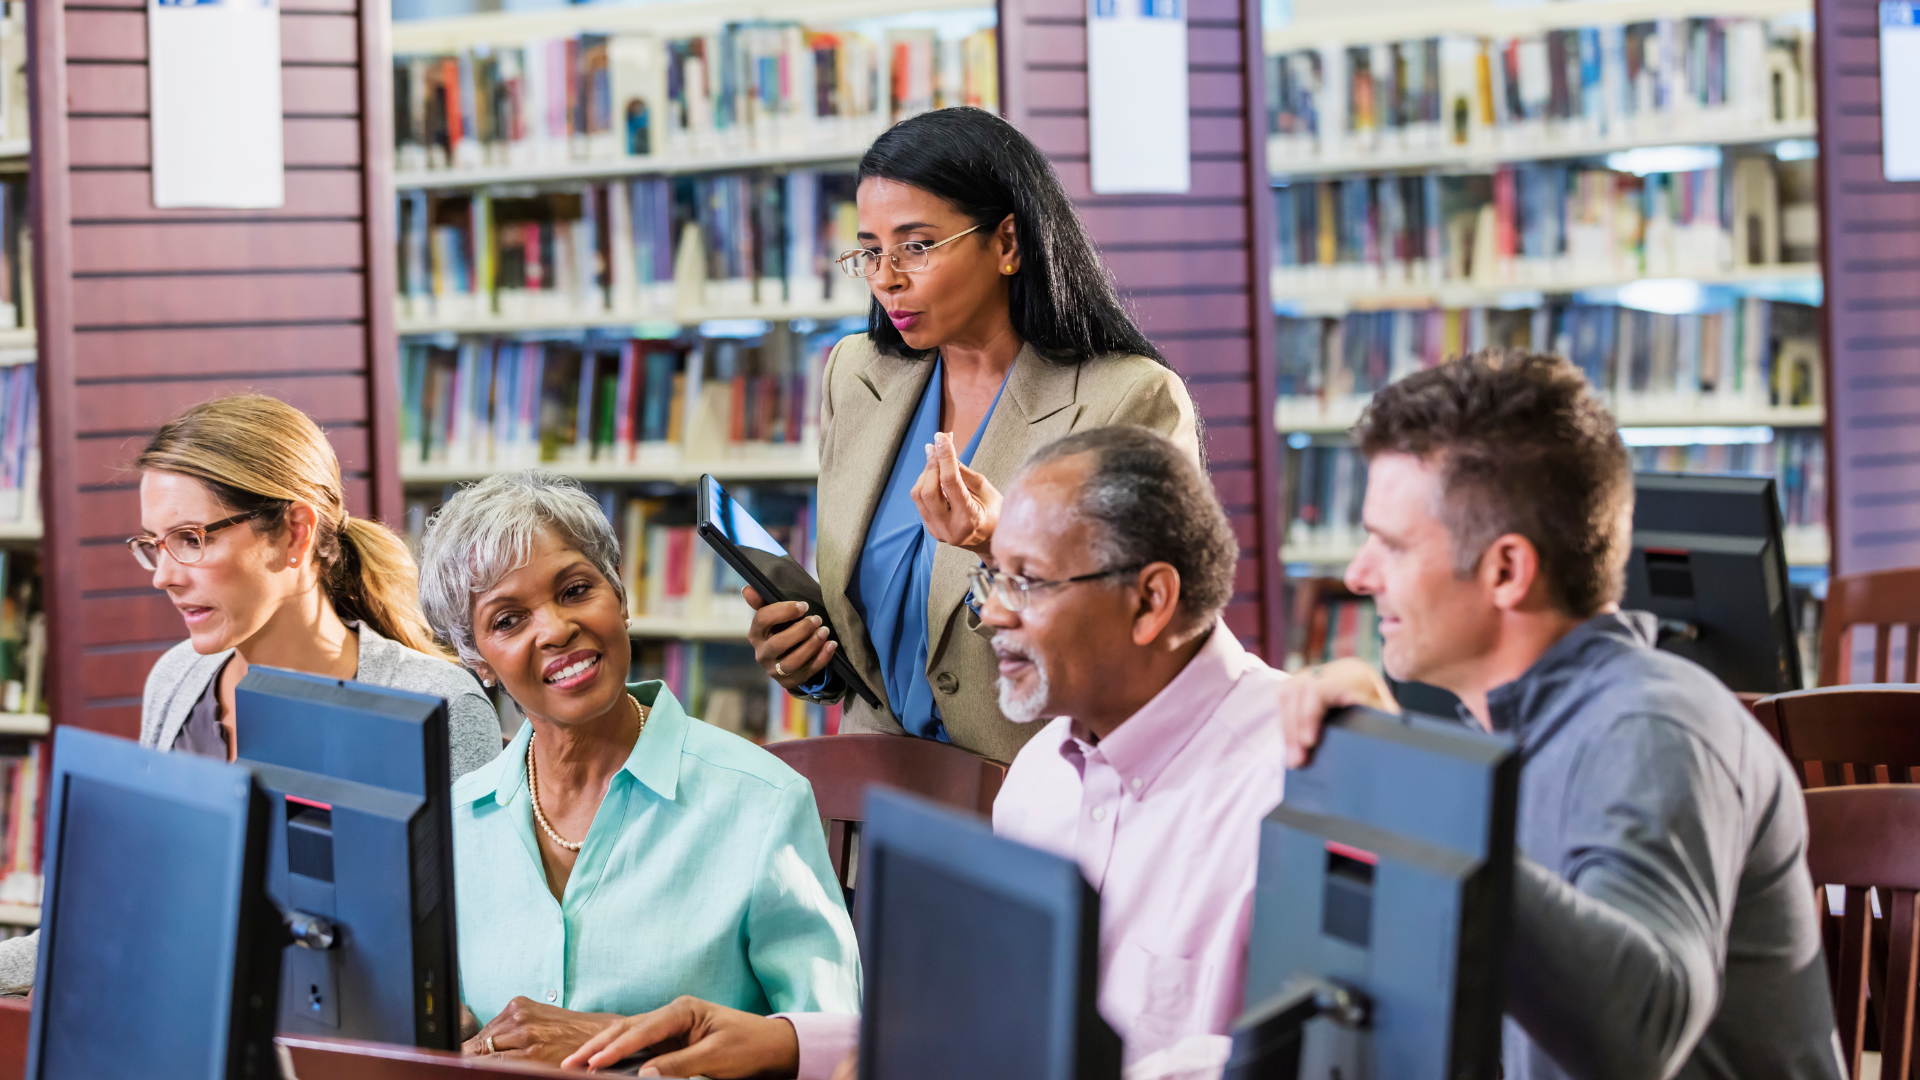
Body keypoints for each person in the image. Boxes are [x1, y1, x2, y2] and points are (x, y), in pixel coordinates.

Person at [566, 427, 1281, 1079]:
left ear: (1151, 600)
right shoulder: (1039, 777)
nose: (993, 613)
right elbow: (991, 1027)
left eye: (1025, 582)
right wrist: (785, 1044)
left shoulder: (1294, 789)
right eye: (991, 577)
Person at [1275, 351, 1842, 1080]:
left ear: (1506, 571)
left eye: (1390, 544)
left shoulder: (1654, 729)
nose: (1358, 575)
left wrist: (1417, 788)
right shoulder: (1501, 736)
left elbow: (1638, 1029)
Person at [0, 393, 501, 992]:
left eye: (191, 538)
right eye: (153, 545)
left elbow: (478, 957)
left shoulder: (435, 704)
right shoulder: (177, 679)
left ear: (294, 532)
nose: (164, 575)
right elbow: (125, 919)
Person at [748, 106, 1200, 764]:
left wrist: (998, 545)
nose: (886, 279)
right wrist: (813, 660)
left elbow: (1141, 639)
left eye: (917, 246)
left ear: (1008, 243)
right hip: (880, 800)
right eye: (871, 252)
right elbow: (878, 638)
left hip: (1042, 801)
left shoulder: (1128, 400)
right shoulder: (857, 376)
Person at [415, 471, 859, 1064]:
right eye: (508, 620)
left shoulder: (762, 802)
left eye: (574, 590)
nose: (555, 628)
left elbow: (837, 1053)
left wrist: (615, 1045)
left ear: (620, 596)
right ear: (476, 660)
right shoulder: (450, 825)